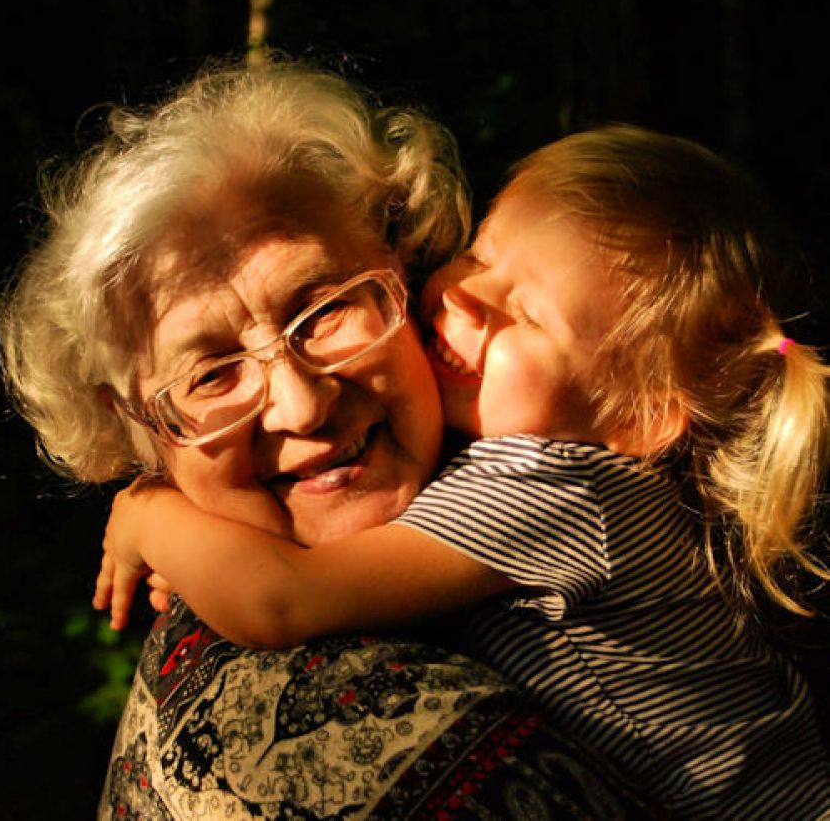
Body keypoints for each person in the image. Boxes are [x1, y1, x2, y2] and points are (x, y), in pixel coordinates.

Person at [97, 124, 830, 818]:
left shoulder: (559, 487)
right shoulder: (535, 466)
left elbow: (280, 599)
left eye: (531, 317)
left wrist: (150, 516)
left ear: (636, 419)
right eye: (480, 256)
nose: (463, 296)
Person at [0, 58, 658, 819]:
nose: (304, 406)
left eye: (325, 311)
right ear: (145, 436)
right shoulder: (339, 730)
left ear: (406, 275)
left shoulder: (554, 463)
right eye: (211, 375)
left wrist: (155, 518)